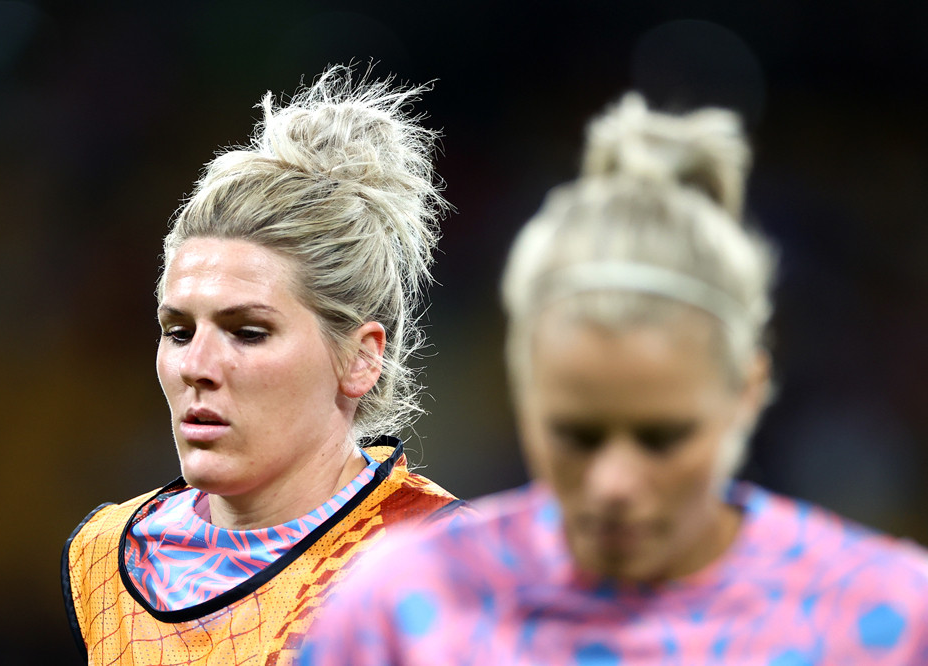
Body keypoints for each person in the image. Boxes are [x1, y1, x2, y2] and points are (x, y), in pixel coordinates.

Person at [299, 94, 928, 664]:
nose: (615, 483)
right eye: (576, 435)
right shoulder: (404, 609)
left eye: (663, 439)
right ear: (523, 389)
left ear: (747, 391)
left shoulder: (887, 619)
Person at [60, 66, 468, 665]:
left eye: (247, 333)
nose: (197, 366)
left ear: (360, 358)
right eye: (178, 332)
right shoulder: (103, 561)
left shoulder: (451, 568)